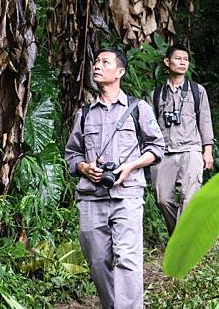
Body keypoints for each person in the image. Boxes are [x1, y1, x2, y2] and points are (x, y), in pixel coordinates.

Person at [65, 47, 164, 309]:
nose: (97, 66)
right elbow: (71, 154)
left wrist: (130, 166)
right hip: (91, 198)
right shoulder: (84, 113)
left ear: (119, 71)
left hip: (127, 195)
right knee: (97, 261)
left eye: (104, 62)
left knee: (128, 259)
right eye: (96, 62)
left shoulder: (138, 108)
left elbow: (157, 148)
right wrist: (85, 168)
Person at [149, 44, 214, 235]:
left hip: (191, 150)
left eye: (185, 59)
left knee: (190, 197)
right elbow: (151, 126)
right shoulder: (157, 94)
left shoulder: (197, 90)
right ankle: (177, 234)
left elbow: (205, 120)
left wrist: (207, 150)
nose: (182, 62)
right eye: (178, 58)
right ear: (167, 62)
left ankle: (182, 243)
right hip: (165, 152)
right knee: (162, 199)